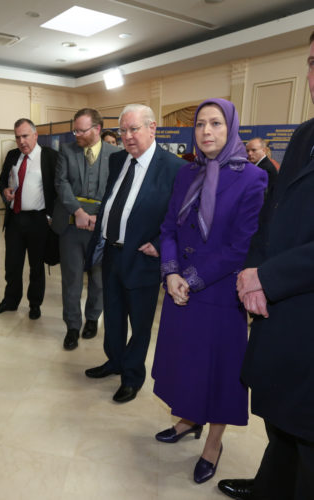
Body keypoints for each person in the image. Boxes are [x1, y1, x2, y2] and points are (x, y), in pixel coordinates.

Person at [150, 98, 267, 483]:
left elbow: (240, 247)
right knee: (185, 365)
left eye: (216, 124)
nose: (206, 132)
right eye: (200, 124)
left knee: (217, 373)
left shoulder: (252, 178)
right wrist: (170, 273)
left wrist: (193, 279)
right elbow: (168, 228)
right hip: (179, 290)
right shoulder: (186, 174)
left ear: (231, 128)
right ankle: (188, 420)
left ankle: (213, 442)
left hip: (217, 294)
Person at [219, 31, 314, 500]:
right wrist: (253, 273)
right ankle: (269, 487)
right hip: (281, 309)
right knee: (281, 419)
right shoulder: (304, 134)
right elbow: (271, 217)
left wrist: (268, 276)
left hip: (306, 307)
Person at [85, 104, 185, 403]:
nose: (128, 136)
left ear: (152, 128)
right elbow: (113, 200)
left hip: (143, 257)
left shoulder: (174, 167)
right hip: (112, 253)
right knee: (113, 316)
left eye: (134, 129)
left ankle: (132, 376)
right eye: (123, 130)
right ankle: (114, 361)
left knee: (139, 324)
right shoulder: (118, 160)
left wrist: (159, 241)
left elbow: (182, 215)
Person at [52, 108, 119, 350]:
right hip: (71, 228)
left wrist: (97, 218)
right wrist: (78, 213)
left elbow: (115, 191)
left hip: (100, 229)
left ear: (97, 129)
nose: (76, 134)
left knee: (99, 279)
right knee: (71, 279)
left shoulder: (116, 154)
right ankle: (72, 325)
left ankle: (92, 319)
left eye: (81, 130)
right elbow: (61, 183)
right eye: (75, 129)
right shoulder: (66, 151)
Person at [0, 118, 58, 320]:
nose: (21, 141)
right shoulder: (12, 155)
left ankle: (35, 305)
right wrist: (4, 190)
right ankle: (10, 301)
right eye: (17, 137)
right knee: (12, 265)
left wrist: (51, 216)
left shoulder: (50, 157)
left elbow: (59, 189)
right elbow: (1, 181)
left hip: (38, 221)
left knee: (36, 267)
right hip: (15, 220)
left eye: (25, 136)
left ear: (35, 135)